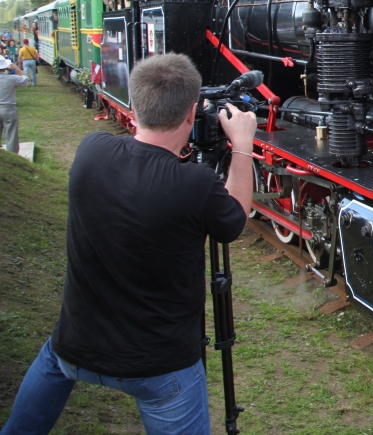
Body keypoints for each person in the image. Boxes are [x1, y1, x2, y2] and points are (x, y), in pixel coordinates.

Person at [0, 54, 256, 434]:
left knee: (45, 376)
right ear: (191, 113)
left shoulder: (90, 150)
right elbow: (234, 219)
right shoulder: (195, 185)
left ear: (133, 105)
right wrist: (243, 145)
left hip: (74, 347)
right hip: (159, 367)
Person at [0, 56, 30, 153]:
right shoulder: (12, 78)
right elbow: (25, 80)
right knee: (11, 135)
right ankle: (12, 156)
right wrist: (16, 68)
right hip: (8, 108)